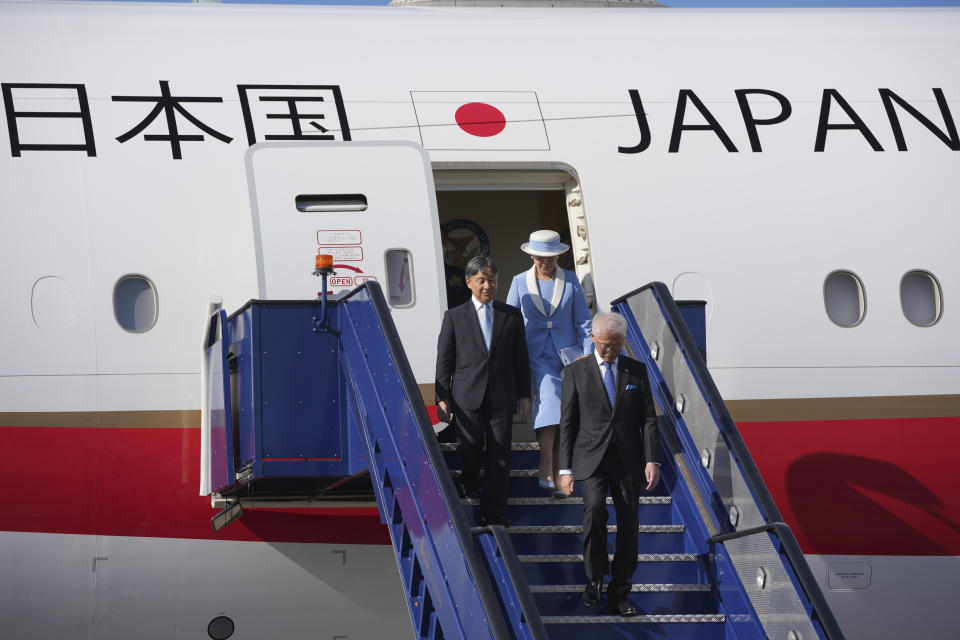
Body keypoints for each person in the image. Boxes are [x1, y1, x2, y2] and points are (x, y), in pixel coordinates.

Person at [557, 312, 661, 617]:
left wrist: (652, 459)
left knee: (630, 525)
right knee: (595, 509)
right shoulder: (577, 372)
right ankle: (594, 577)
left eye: (615, 346)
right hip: (590, 458)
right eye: (604, 345)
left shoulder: (636, 371)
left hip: (627, 459)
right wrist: (564, 469)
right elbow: (567, 423)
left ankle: (620, 592)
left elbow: (649, 418)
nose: (609, 351)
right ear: (592, 338)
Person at [436, 255, 532, 526]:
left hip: (502, 395)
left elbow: (520, 358)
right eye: (481, 280)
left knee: (500, 453)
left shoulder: (511, 316)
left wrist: (524, 394)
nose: (488, 285)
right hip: (467, 395)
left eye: (492, 280)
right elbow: (444, 359)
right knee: (472, 445)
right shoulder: (454, 317)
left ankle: (496, 514)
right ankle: (468, 480)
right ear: (469, 283)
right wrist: (442, 399)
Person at [506, 230, 592, 496]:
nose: (546, 262)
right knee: (551, 399)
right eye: (541, 257)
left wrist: (587, 352)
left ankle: (560, 469)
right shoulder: (519, 282)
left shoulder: (571, 281)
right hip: (534, 355)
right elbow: (510, 322)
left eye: (551, 257)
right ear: (532, 255)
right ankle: (547, 464)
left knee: (565, 411)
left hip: (568, 356)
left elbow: (583, 321)